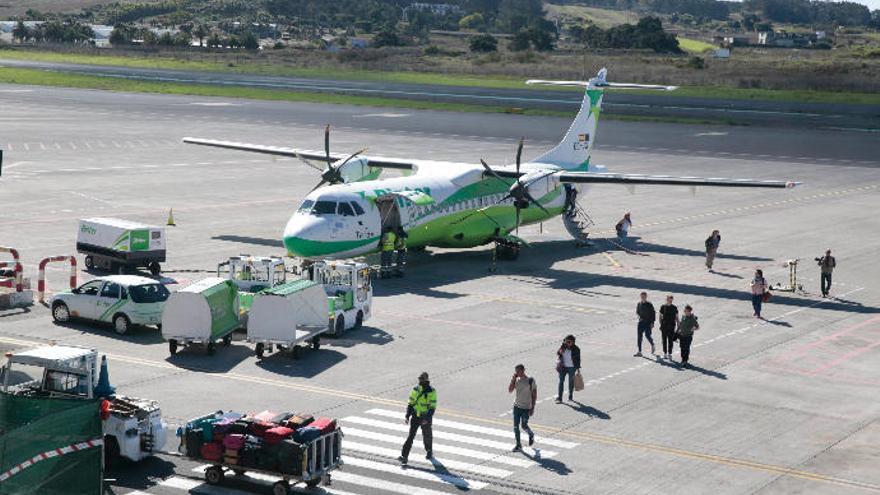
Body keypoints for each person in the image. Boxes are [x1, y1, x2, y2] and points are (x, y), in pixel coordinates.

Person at [398, 372, 436, 464]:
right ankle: (404, 456)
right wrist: (407, 415)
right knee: (410, 437)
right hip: (415, 416)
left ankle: (429, 451)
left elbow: (432, 407)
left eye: (421, 379)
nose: (420, 381)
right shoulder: (415, 389)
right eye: (419, 379)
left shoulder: (431, 391)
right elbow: (411, 403)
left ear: (426, 380)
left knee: (427, 435)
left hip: (425, 417)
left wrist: (426, 419)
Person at [508, 364, 536, 452]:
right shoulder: (516, 380)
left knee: (524, 426)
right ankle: (518, 445)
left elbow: (534, 395)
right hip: (517, 406)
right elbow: (510, 390)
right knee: (516, 427)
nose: (516, 373)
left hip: (526, 407)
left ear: (523, 370)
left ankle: (531, 434)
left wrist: (532, 408)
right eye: (516, 371)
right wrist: (513, 380)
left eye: (518, 371)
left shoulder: (530, 380)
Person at [555, 335, 581, 403]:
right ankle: (559, 398)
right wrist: (559, 352)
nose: (567, 343)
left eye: (569, 342)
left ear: (573, 342)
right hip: (563, 367)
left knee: (571, 382)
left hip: (572, 368)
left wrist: (578, 369)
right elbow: (558, 353)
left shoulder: (576, 349)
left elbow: (578, 359)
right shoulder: (563, 346)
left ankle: (570, 396)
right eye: (566, 341)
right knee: (561, 382)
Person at [658, 295, 679, 360]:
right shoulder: (663, 307)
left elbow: (677, 317)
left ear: (672, 300)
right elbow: (660, 316)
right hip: (664, 326)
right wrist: (661, 324)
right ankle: (665, 353)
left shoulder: (674, 307)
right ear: (666, 299)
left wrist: (678, 326)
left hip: (672, 326)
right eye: (668, 299)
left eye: (670, 299)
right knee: (664, 340)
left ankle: (670, 353)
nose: (669, 300)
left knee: (670, 341)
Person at [635, 292, 656, 357]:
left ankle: (652, 344)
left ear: (646, 297)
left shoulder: (649, 304)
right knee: (639, 336)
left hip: (648, 322)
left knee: (647, 335)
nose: (643, 297)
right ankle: (639, 351)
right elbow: (637, 312)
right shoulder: (639, 304)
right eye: (642, 296)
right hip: (641, 322)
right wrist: (639, 316)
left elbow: (653, 313)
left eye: (644, 296)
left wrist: (652, 322)